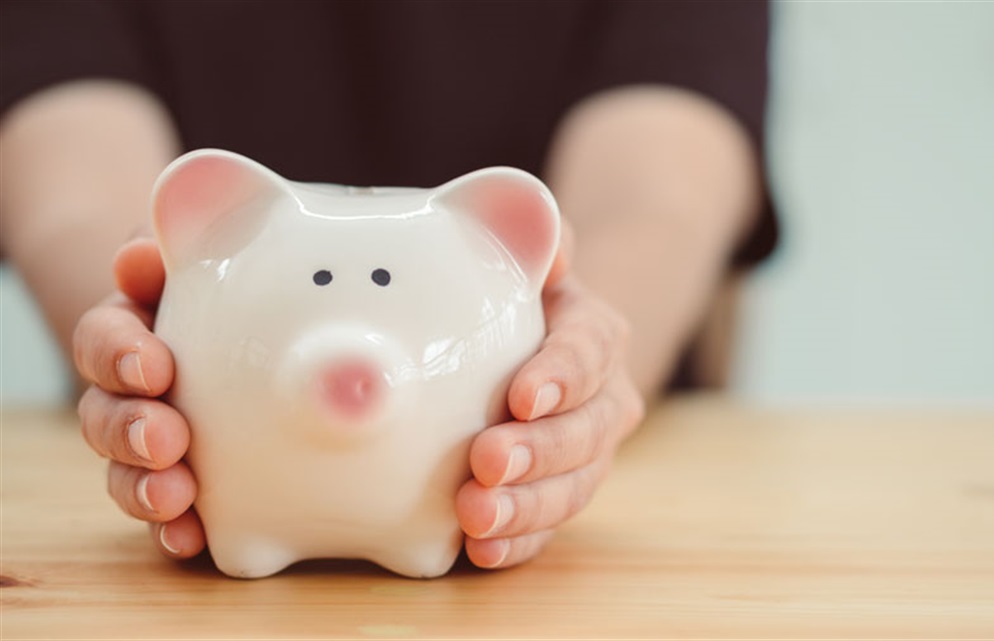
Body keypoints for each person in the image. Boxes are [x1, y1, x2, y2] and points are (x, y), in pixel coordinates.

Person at [0, 1, 776, 570]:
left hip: (616, 459)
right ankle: (252, 534)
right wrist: (140, 318)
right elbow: (70, 174)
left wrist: (579, 359)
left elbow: (656, 192)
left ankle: (417, 535)